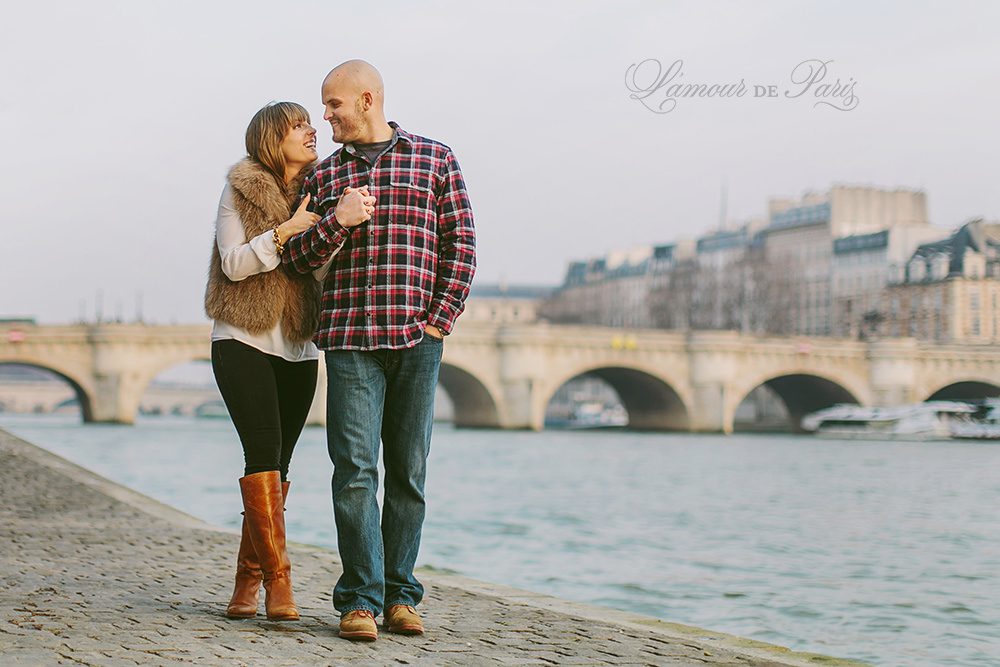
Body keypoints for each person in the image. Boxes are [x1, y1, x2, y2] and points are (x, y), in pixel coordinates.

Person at [282, 60, 476, 641]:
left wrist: (437, 324)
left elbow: (460, 246)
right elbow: (295, 260)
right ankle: (360, 601)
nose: (326, 116)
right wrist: (337, 224)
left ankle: (401, 596)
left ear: (366, 99)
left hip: (417, 342)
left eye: (333, 105)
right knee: (355, 474)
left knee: (409, 473)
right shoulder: (322, 179)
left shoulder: (436, 159)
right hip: (349, 343)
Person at [205, 101, 375, 621]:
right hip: (242, 339)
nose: (312, 131)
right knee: (262, 454)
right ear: (271, 137)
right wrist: (287, 230)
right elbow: (233, 265)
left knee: (278, 469)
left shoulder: (322, 190)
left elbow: (321, 271)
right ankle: (279, 584)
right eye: (299, 125)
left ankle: (245, 584)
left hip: (299, 345)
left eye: (310, 124)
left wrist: (330, 230)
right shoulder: (241, 189)